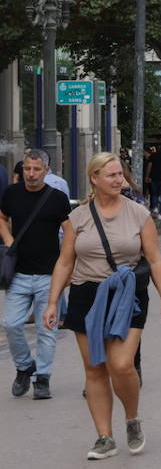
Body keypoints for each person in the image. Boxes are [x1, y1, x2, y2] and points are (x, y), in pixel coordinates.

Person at [42, 152, 161, 461]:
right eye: (112, 175)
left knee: (120, 365)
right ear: (95, 178)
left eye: (120, 174)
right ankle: (104, 437)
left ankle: (132, 418)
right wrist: (52, 302)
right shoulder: (78, 217)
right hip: (86, 295)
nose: (119, 180)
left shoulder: (138, 213)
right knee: (94, 368)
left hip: (127, 296)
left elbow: (155, 260)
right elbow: (65, 262)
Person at [1, 150, 72, 401]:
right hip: (19, 273)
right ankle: (24, 367)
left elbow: (69, 230)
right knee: (10, 323)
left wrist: (67, 262)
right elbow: (2, 216)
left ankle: (42, 378)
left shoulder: (57, 198)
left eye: (36, 169)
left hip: (49, 275)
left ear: (47, 171)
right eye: (27, 169)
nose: (30, 174)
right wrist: (9, 239)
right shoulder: (11, 193)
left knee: (46, 329)